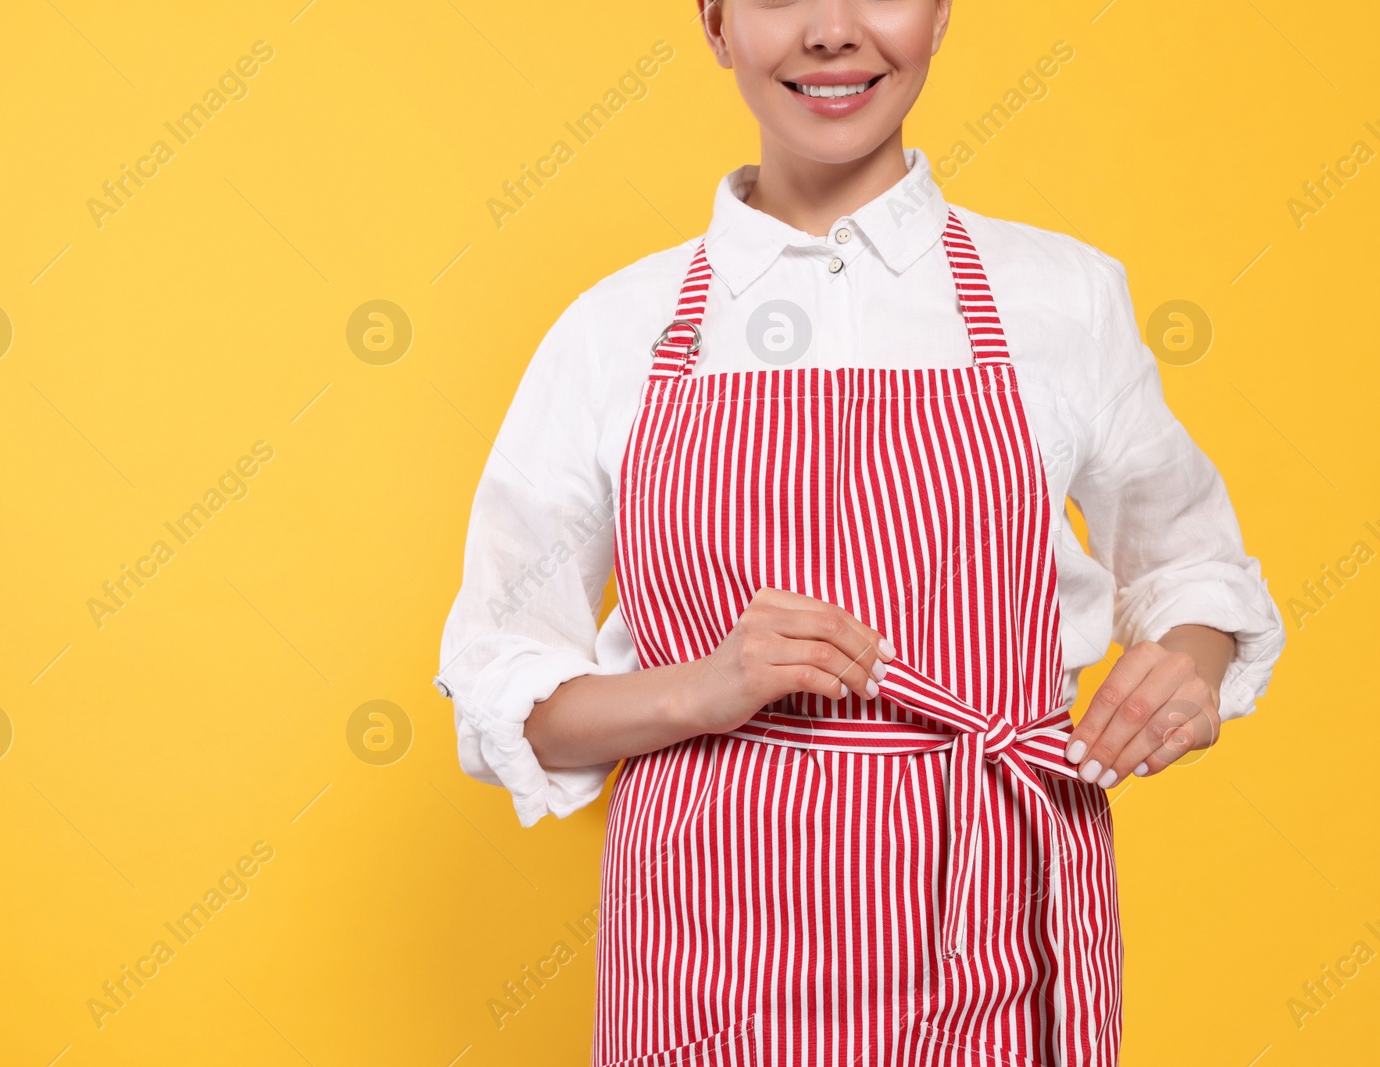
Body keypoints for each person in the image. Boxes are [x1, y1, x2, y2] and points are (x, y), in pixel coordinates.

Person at [434, 1, 1286, 1064]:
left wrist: (1185, 672)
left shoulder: (1062, 299)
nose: (832, 32)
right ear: (713, 24)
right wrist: (705, 685)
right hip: (709, 959)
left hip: (997, 927)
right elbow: (501, 684)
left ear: (938, 15)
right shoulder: (615, 331)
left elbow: (1192, 565)